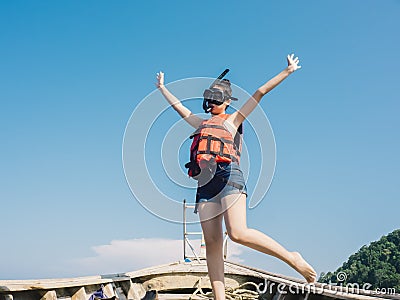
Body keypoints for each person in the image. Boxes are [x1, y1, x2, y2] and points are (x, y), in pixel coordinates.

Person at [156, 54, 317, 300]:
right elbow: (180, 109)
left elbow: (260, 92)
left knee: (238, 232)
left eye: (216, 100)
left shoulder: (233, 120)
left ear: (227, 101)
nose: (210, 104)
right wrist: (163, 89)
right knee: (212, 241)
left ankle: (292, 257)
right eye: (208, 100)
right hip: (205, 182)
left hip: (228, 174)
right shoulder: (200, 123)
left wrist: (287, 71)